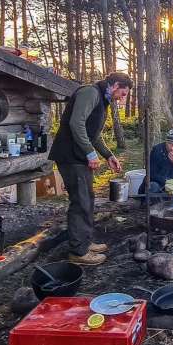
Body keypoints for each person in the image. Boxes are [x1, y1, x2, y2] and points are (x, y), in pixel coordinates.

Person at [48, 72, 132, 265]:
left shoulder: (102, 100)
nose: (123, 98)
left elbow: (93, 135)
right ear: (116, 85)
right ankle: (78, 252)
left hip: (79, 157)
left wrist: (108, 155)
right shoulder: (90, 92)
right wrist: (89, 152)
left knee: (87, 198)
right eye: (123, 93)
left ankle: (84, 241)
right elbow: (75, 123)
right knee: (80, 202)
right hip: (70, 156)